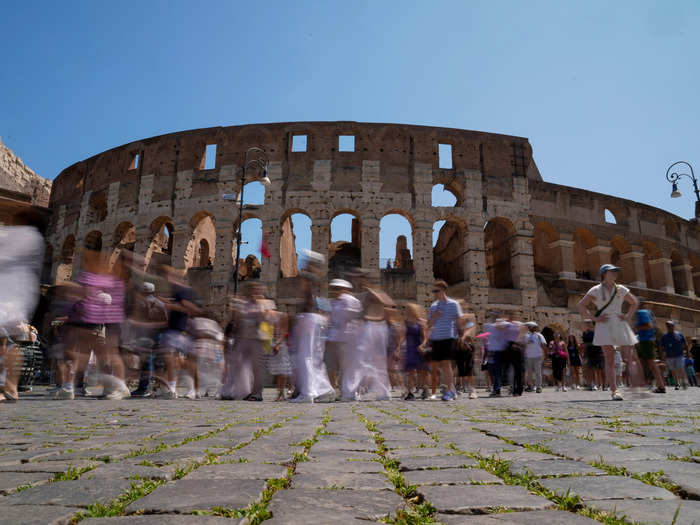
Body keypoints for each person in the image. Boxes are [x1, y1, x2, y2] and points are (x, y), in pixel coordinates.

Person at [577, 264, 641, 401]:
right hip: (604, 323)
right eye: (611, 272)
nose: (614, 274)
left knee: (629, 355)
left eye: (615, 272)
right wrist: (594, 318)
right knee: (609, 358)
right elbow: (581, 305)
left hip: (619, 321)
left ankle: (637, 386)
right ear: (604, 274)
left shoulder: (621, 289)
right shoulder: (595, 290)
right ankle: (614, 390)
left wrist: (628, 316)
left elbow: (634, 302)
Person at [426, 280, 462, 401]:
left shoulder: (454, 304)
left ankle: (449, 392)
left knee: (446, 364)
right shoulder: (433, 306)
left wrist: (461, 337)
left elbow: (459, 321)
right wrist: (434, 317)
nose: (434, 293)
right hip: (436, 338)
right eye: (433, 291)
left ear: (443, 290)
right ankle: (452, 389)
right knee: (440, 366)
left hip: (448, 337)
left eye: (436, 291)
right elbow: (428, 324)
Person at [325, 279, 362, 391]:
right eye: (333, 288)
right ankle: (332, 389)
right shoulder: (332, 302)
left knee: (345, 366)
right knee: (330, 365)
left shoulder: (351, 301)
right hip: (333, 337)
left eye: (337, 288)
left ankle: (346, 390)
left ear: (345, 290)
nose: (335, 291)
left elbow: (355, 318)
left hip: (346, 338)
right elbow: (329, 319)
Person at [633, 309, 665, 393]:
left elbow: (649, 326)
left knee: (651, 364)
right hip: (644, 340)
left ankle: (661, 386)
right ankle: (649, 384)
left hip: (646, 341)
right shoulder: (645, 312)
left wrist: (636, 328)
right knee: (644, 364)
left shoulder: (641, 312)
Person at [402, 303, 428, 400]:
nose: (406, 310)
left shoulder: (420, 322)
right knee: (410, 372)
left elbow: (425, 338)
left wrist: (422, 345)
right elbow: (402, 336)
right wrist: (398, 348)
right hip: (410, 349)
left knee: (422, 371)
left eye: (408, 309)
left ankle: (425, 388)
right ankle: (410, 392)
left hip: (419, 348)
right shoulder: (406, 322)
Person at [266, 313, 292, 401]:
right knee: (277, 371)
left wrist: (277, 343)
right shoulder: (269, 318)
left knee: (282, 370)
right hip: (273, 343)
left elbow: (284, 332)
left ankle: (282, 392)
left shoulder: (283, 316)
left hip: (281, 345)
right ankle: (280, 393)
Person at [660, 321, 689, 390]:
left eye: (671, 326)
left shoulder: (679, 334)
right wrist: (662, 356)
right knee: (673, 370)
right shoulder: (664, 336)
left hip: (679, 355)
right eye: (668, 326)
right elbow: (661, 347)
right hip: (669, 356)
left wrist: (688, 353)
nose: (670, 327)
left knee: (681, 368)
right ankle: (677, 383)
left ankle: (684, 381)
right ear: (667, 327)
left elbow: (685, 344)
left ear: (673, 326)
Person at [523, 322, 546, 393]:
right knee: (529, 373)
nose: (529, 328)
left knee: (537, 372)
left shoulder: (539, 335)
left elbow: (543, 344)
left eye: (530, 327)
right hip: (528, 356)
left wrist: (545, 354)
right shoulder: (526, 336)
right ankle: (530, 386)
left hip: (537, 356)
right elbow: (524, 345)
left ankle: (539, 387)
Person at [581, 320, 604, 390]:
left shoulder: (597, 331)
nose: (587, 324)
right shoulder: (585, 333)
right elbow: (584, 344)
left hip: (598, 352)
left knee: (599, 370)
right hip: (589, 352)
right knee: (590, 369)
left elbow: (600, 342)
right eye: (586, 323)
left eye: (589, 323)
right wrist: (584, 353)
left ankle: (602, 384)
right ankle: (592, 384)